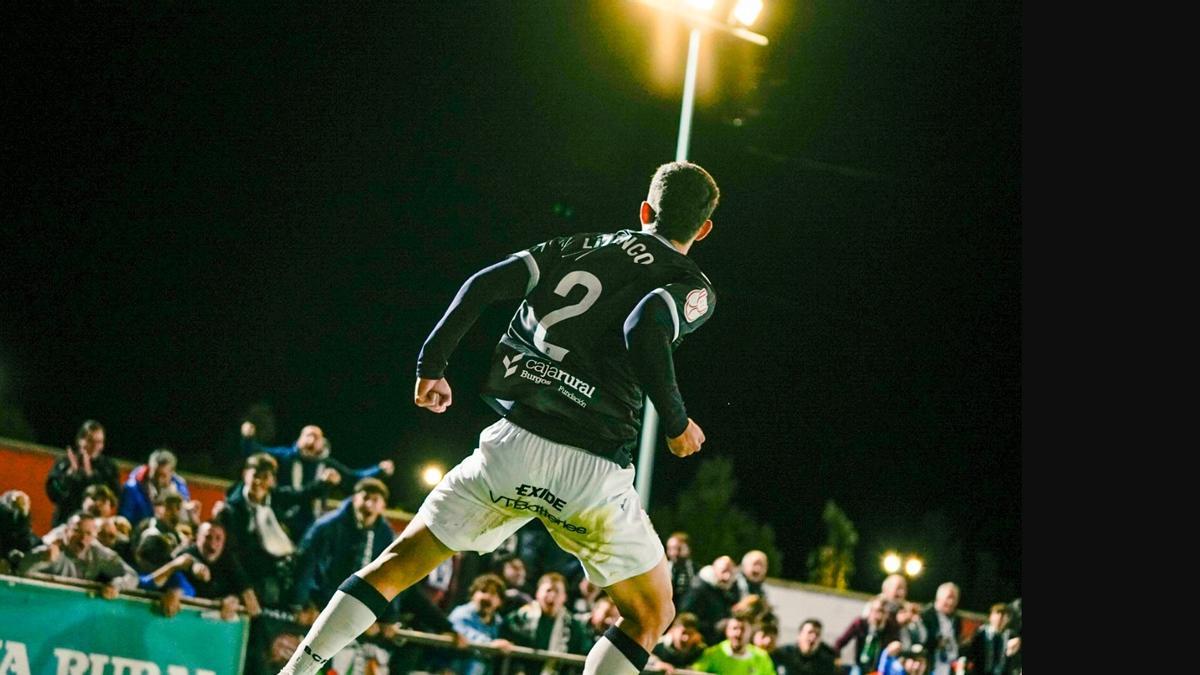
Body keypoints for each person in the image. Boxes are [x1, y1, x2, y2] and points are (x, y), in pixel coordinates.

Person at [278, 161, 721, 675]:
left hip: (512, 448)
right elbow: (645, 327)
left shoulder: (577, 245)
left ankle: (296, 671)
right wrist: (676, 422)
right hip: (592, 471)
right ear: (704, 229)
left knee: (397, 566)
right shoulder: (691, 283)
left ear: (644, 209)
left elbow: (485, 282)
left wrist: (432, 365)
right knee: (651, 615)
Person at [45, 420, 120, 526]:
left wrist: (91, 476)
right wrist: (69, 476)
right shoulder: (65, 463)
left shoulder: (108, 467)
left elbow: (114, 497)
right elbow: (52, 493)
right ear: (80, 441)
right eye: (90, 441)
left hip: (96, 525)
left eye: (99, 442)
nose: (95, 446)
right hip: (66, 522)